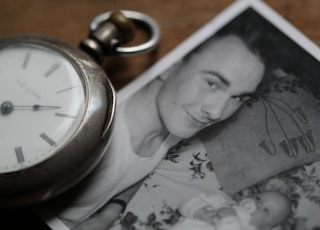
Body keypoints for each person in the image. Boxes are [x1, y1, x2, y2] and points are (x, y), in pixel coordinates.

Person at [45, 34, 265, 229]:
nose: (216, 112)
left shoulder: (177, 123)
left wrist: (109, 213)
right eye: (213, 83)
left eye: (238, 98)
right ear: (170, 65)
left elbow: (138, 168)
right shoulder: (94, 130)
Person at [170, 190, 291, 230]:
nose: (258, 205)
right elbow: (187, 202)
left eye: (266, 210)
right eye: (258, 198)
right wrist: (199, 211)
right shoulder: (221, 201)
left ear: (266, 227)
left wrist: (229, 220)